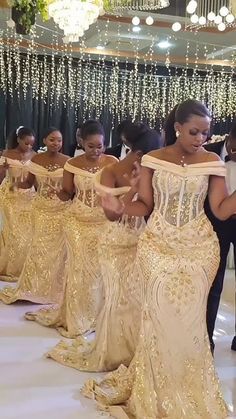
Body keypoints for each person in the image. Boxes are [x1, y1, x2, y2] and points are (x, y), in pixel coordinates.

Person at [81, 99, 236, 418]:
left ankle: (187, 385)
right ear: (177, 127)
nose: (201, 140)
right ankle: (155, 386)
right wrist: (120, 208)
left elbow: (220, 209)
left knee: (191, 320)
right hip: (157, 245)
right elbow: (146, 206)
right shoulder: (153, 159)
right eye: (194, 132)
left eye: (206, 134)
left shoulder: (211, 162)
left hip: (199, 248)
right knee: (159, 316)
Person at [45, 123, 162, 372]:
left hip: (141, 240)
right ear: (141, 155)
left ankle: (132, 350)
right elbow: (111, 215)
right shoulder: (110, 171)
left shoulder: (150, 172)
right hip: (114, 241)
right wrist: (133, 187)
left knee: (136, 299)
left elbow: (148, 208)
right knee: (117, 296)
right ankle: (112, 350)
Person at [25, 120, 117, 338]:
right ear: (81, 143)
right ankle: (77, 316)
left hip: (103, 223)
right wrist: (56, 192)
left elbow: (118, 189)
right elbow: (67, 192)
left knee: (98, 270)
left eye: (100, 146)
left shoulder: (112, 162)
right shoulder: (72, 164)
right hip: (76, 221)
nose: (96, 151)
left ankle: (97, 314)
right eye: (90, 146)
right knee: (78, 268)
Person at [0, 127, 69, 304]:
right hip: (38, 207)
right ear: (45, 141)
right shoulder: (36, 159)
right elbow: (30, 183)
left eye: (59, 140)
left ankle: (55, 286)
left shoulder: (68, 162)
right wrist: (15, 185)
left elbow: (70, 190)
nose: (56, 143)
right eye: (52, 139)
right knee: (37, 244)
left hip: (60, 208)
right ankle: (33, 284)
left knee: (58, 249)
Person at [205, 123, 236, 352]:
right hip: (215, 223)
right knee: (213, 283)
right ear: (230, 138)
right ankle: (206, 339)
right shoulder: (209, 153)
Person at [0, 126, 36, 281]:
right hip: (10, 194)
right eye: (26, 143)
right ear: (19, 140)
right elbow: (1, 177)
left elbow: (35, 179)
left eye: (31, 144)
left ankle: (23, 266)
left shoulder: (35, 156)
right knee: (12, 230)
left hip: (28, 196)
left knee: (27, 231)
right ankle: (7, 265)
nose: (29, 146)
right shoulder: (7, 154)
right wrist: (3, 169)